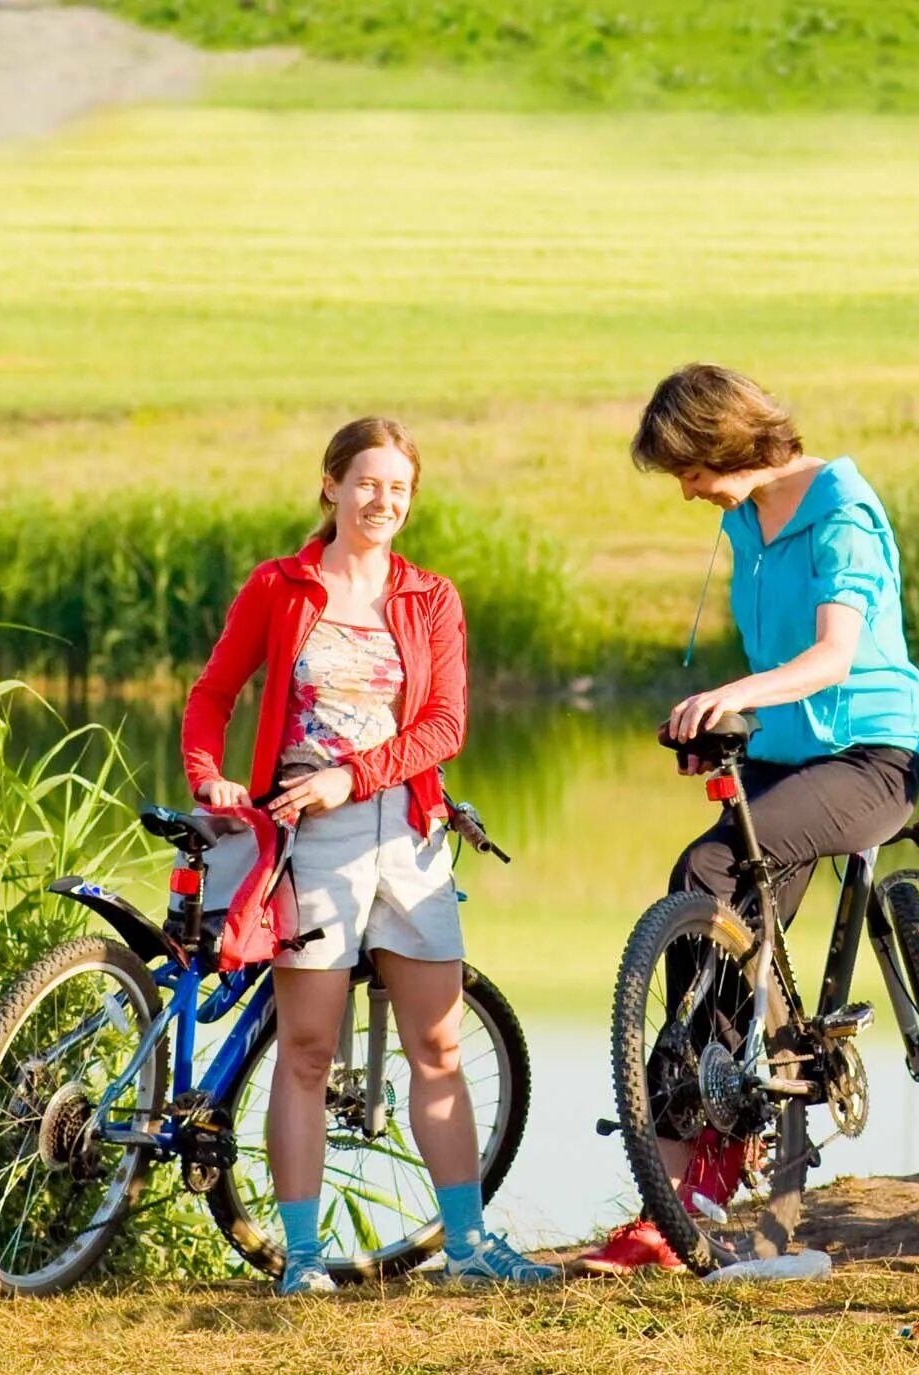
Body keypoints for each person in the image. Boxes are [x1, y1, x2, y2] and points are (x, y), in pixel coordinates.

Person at [182, 417, 554, 1293]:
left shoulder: (431, 597)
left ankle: (467, 1248)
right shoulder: (281, 587)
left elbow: (446, 726)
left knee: (437, 1043)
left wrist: (356, 777)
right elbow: (214, 693)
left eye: (399, 488)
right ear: (331, 486)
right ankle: (301, 1259)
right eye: (367, 483)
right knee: (309, 1048)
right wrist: (211, 778)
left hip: (412, 831)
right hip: (311, 838)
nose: (382, 501)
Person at [575, 363, 919, 1275]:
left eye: (689, 467)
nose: (687, 490)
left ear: (725, 444)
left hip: (869, 757)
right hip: (783, 753)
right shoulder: (745, 520)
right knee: (703, 884)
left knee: (716, 877)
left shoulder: (842, 511)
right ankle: (687, 1181)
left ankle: (708, 1150)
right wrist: (728, 727)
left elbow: (832, 656)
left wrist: (733, 694)